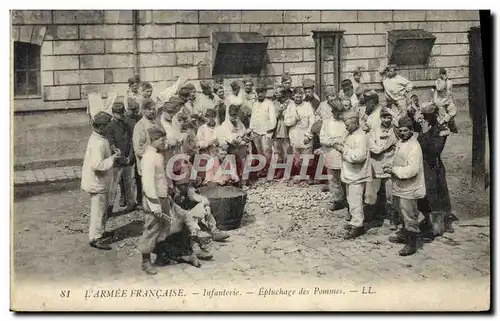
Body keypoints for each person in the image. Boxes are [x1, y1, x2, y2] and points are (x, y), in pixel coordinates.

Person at [139, 127, 201, 274]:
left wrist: (167, 193)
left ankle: (163, 255)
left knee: (167, 227)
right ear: (154, 140)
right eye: (162, 139)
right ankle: (145, 261)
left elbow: (161, 178)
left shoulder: (157, 155)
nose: (164, 142)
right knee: (152, 229)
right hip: (153, 199)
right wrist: (155, 205)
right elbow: (148, 184)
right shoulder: (148, 158)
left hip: (162, 196)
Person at [81, 112, 124, 250]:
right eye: (108, 125)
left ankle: (99, 232)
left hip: (100, 182)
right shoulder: (98, 143)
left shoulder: (99, 137)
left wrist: (112, 151)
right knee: (98, 211)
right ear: (101, 127)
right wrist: (113, 159)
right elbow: (98, 165)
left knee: (102, 209)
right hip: (97, 183)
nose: (110, 127)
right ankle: (95, 238)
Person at [384, 116, 426, 256]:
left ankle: (411, 244)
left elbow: (411, 170)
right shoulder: (401, 142)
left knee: (409, 216)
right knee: (401, 212)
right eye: (400, 131)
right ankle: (404, 235)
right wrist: (390, 166)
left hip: (410, 187)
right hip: (400, 186)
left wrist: (393, 170)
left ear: (412, 131)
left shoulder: (414, 146)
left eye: (405, 131)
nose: (402, 133)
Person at [417, 102, 453, 236]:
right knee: (424, 194)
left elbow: (434, 150)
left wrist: (425, 134)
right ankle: (428, 220)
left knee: (435, 193)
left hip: (434, 167)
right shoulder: (424, 128)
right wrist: (424, 133)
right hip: (424, 166)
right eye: (424, 115)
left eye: (428, 116)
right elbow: (418, 147)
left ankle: (438, 225)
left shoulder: (441, 129)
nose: (426, 119)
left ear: (435, 115)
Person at [365, 107, 399, 230]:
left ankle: (391, 218)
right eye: (384, 117)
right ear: (380, 118)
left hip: (389, 165)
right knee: (373, 192)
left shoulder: (395, 131)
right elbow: (372, 146)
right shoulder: (374, 131)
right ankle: (373, 215)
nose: (386, 120)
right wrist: (383, 148)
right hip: (377, 165)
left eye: (388, 117)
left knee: (390, 193)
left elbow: (398, 146)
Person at [340, 111, 372, 239]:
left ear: (355, 123)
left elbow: (358, 157)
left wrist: (343, 150)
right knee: (351, 199)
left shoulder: (361, 137)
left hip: (357, 174)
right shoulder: (350, 134)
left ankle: (358, 225)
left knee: (356, 200)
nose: (346, 127)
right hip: (350, 173)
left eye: (347, 125)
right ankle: (355, 220)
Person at [318, 97, 348, 211]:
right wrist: (333, 142)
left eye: (340, 112)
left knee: (345, 178)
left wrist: (342, 143)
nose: (338, 114)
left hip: (343, 153)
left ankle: (347, 200)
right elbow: (322, 139)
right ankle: (337, 200)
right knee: (333, 179)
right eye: (336, 112)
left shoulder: (346, 122)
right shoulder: (327, 123)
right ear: (332, 111)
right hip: (331, 153)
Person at [106, 102, 137, 212]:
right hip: (117, 162)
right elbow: (112, 145)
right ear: (114, 113)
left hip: (128, 158)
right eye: (119, 113)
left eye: (122, 113)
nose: (122, 115)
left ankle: (130, 204)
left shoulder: (126, 124)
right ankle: (109, 207)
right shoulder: (110, 127)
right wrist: (122, 158)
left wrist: (130, 156)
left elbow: (130, 140)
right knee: (113, 186)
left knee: (129, 183)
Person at [284, 87, 316, 184]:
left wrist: (309, 135)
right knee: (297, 158)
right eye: (296, 97)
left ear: (303, 96)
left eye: (300, 97)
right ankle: (299, 175)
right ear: (293, 96)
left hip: (305, 134)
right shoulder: (290, 107)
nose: (298, 99)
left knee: (307, 157)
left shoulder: (307, 105)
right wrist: (294, 119)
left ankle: (307, 176)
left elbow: (312, 121)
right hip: (295, 135)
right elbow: (286, 122)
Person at [214, 104, 252, 183]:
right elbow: (232, 140)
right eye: (231, 115)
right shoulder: (225, 124)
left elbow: (243, 132)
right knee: (231, 158)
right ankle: (234, 179)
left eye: (235, 114)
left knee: (245, 156)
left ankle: (245, 179)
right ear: (229, 114)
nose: (233, 116)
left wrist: (245, 138)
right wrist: (242, 139)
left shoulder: (238, 122)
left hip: (240, 146)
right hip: (230, 148)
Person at [249, 81, 276, 178]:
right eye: (258, 92)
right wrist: (251, 129)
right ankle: (262, 169)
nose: (260, 94)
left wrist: (269, 131)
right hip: (256, 132)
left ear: (265, 93)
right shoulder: (255, 104)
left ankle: (269, 169)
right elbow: (253, 118)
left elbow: (273, 119)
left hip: (266, 132)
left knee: (267, 151)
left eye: (262, 92)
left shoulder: (269, 103)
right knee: (260, 152)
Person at [132, 99, 161, 177]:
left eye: (153, 109)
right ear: (143, 110)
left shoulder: (157, 122)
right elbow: (138, 150)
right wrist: (153, 146)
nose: (152, 111)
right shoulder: (140, 126)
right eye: (149, 109)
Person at [125, 98, 143, 206]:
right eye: (133, 110)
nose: (135, 112)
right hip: (128, 150)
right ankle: (127, 198)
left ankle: (139, 198)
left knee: (138, 175)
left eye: (136, 109)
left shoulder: (140, 118)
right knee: (127, 177)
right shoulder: (125, 120)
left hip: (137, 149)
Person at [272, 85, 291, 178]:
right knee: (278, 152)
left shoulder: (290, 103)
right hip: (277, 130)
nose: (275, 93)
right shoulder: (274, 103)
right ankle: (279, 170)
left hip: (287, 130)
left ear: (283, 94)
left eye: (278, 92)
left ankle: (287, 172)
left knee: (287, 151)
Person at [434, 68, 458, 136]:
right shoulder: (437, 81)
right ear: (440, 74)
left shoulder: (450, 81)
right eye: (442, 73)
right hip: (440, 101)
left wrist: (453, 99)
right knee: (442, 115)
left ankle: (442, 122)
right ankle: (444, 130)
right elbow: (439, 88)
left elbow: (450, 91)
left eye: (444, 73)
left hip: (448, 100)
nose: (444, 75)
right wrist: (444, 81)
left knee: (453, 111)